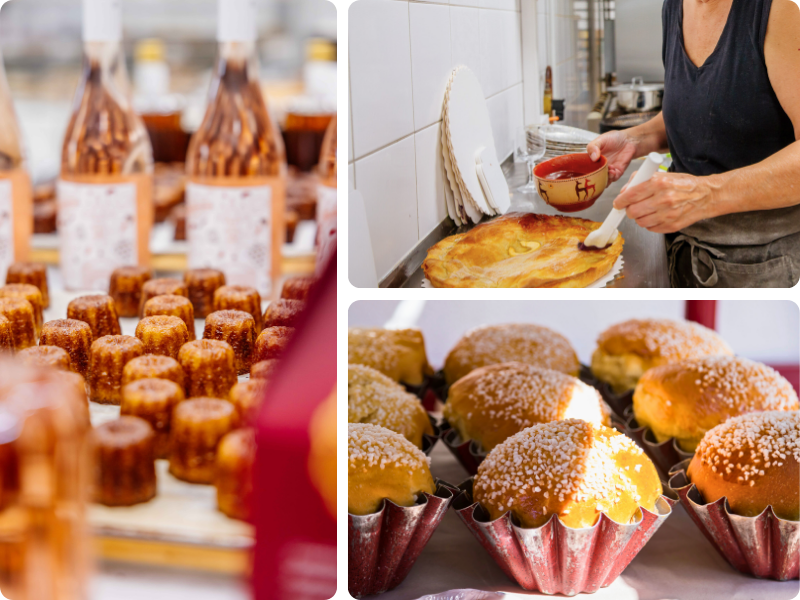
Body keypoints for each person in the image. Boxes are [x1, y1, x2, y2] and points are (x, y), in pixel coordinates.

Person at [587, 0, 800, 287]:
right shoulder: (674, 7)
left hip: (762, 265)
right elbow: (700, 108)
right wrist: (635, 139)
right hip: (680, 248)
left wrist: (705, 195)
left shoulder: (779, 10)